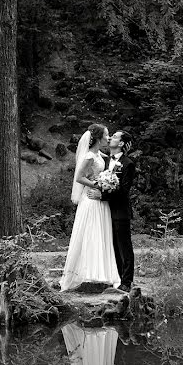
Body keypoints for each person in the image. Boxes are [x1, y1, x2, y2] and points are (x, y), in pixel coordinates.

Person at [59, 124, 120, 292]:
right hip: (91, 198)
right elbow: (79, 177)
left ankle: (101, 272)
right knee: (91, 232)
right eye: (106, 135)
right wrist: (97, 184)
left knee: (100, 232)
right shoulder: (89, 156)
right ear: (98, 138)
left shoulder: (100, 155)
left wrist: (106, 182)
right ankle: (87, 273)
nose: (108, 138)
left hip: (99, 200)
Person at [101, 129, 138, 291]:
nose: (110, 138)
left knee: (124, 246)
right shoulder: (104, 160)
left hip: (120, 210)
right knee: (111, 245)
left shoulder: (128, 164)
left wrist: (101, 196)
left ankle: (127, 282)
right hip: (104, 211)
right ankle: (115, 277)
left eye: (115, 137)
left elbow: (124, 190)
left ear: (121, 143)